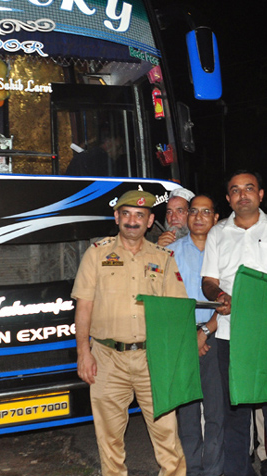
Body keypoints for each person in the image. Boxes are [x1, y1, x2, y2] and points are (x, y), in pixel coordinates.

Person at [71, 190, 188, 476]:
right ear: (116, 217)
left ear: (150, 222)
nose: (132, 221)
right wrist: (83, 353)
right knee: (109, 440)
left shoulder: (163, 258)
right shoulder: (97, 254)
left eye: (140, 215)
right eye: (126, 214)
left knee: (167, 437)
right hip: (107, 358)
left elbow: (175, 311)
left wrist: (173, 360)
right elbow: (84, 308)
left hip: (152, 359)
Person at [201, 170, 267, 476]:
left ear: (261, 194)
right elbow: (208, 281)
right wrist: (219, 294)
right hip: (229, 335)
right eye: (235, 190)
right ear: (228, 198)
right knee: (234, 413)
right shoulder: (218, 233)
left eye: (249, 188)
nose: (242, 195)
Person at [168, 194, 223, 476]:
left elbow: (230, 298)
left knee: (217, 412)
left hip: (217, 336)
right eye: (193, 211)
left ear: (216, 218)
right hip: (183, 338)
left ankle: (213, 471)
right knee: (187, 413)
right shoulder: (171, 252)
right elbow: (166, 298)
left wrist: (205, 331)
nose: (199, 216)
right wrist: (191, 335)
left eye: (206, 211)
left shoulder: (226, 250)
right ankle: (192, 469)